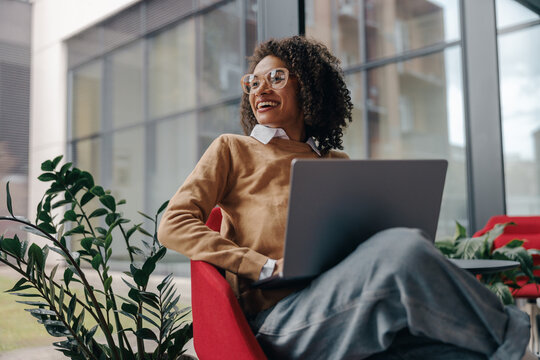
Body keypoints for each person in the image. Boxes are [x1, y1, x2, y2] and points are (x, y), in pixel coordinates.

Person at [158, 36, 530, 359]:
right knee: (404, 249)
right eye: (252, 83)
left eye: (275, 78)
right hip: (280, 323)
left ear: (308, 87)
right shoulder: (233, 150)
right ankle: (522, 349)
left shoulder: (336, 163)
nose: (260, 89)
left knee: (465, 351)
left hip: (350, 310)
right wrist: (263, 266)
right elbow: (173, 224)